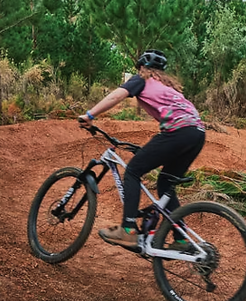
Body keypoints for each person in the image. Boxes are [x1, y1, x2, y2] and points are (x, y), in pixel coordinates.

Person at [78, 49, 206, 250]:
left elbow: (115, 96)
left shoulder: (141, 80)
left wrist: (90, 115)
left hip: (178, 131)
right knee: (165, 182)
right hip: (197, 133)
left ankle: (128, 230)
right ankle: (181, 239)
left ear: (142, 68)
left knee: (133, 171)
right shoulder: (167, 86)